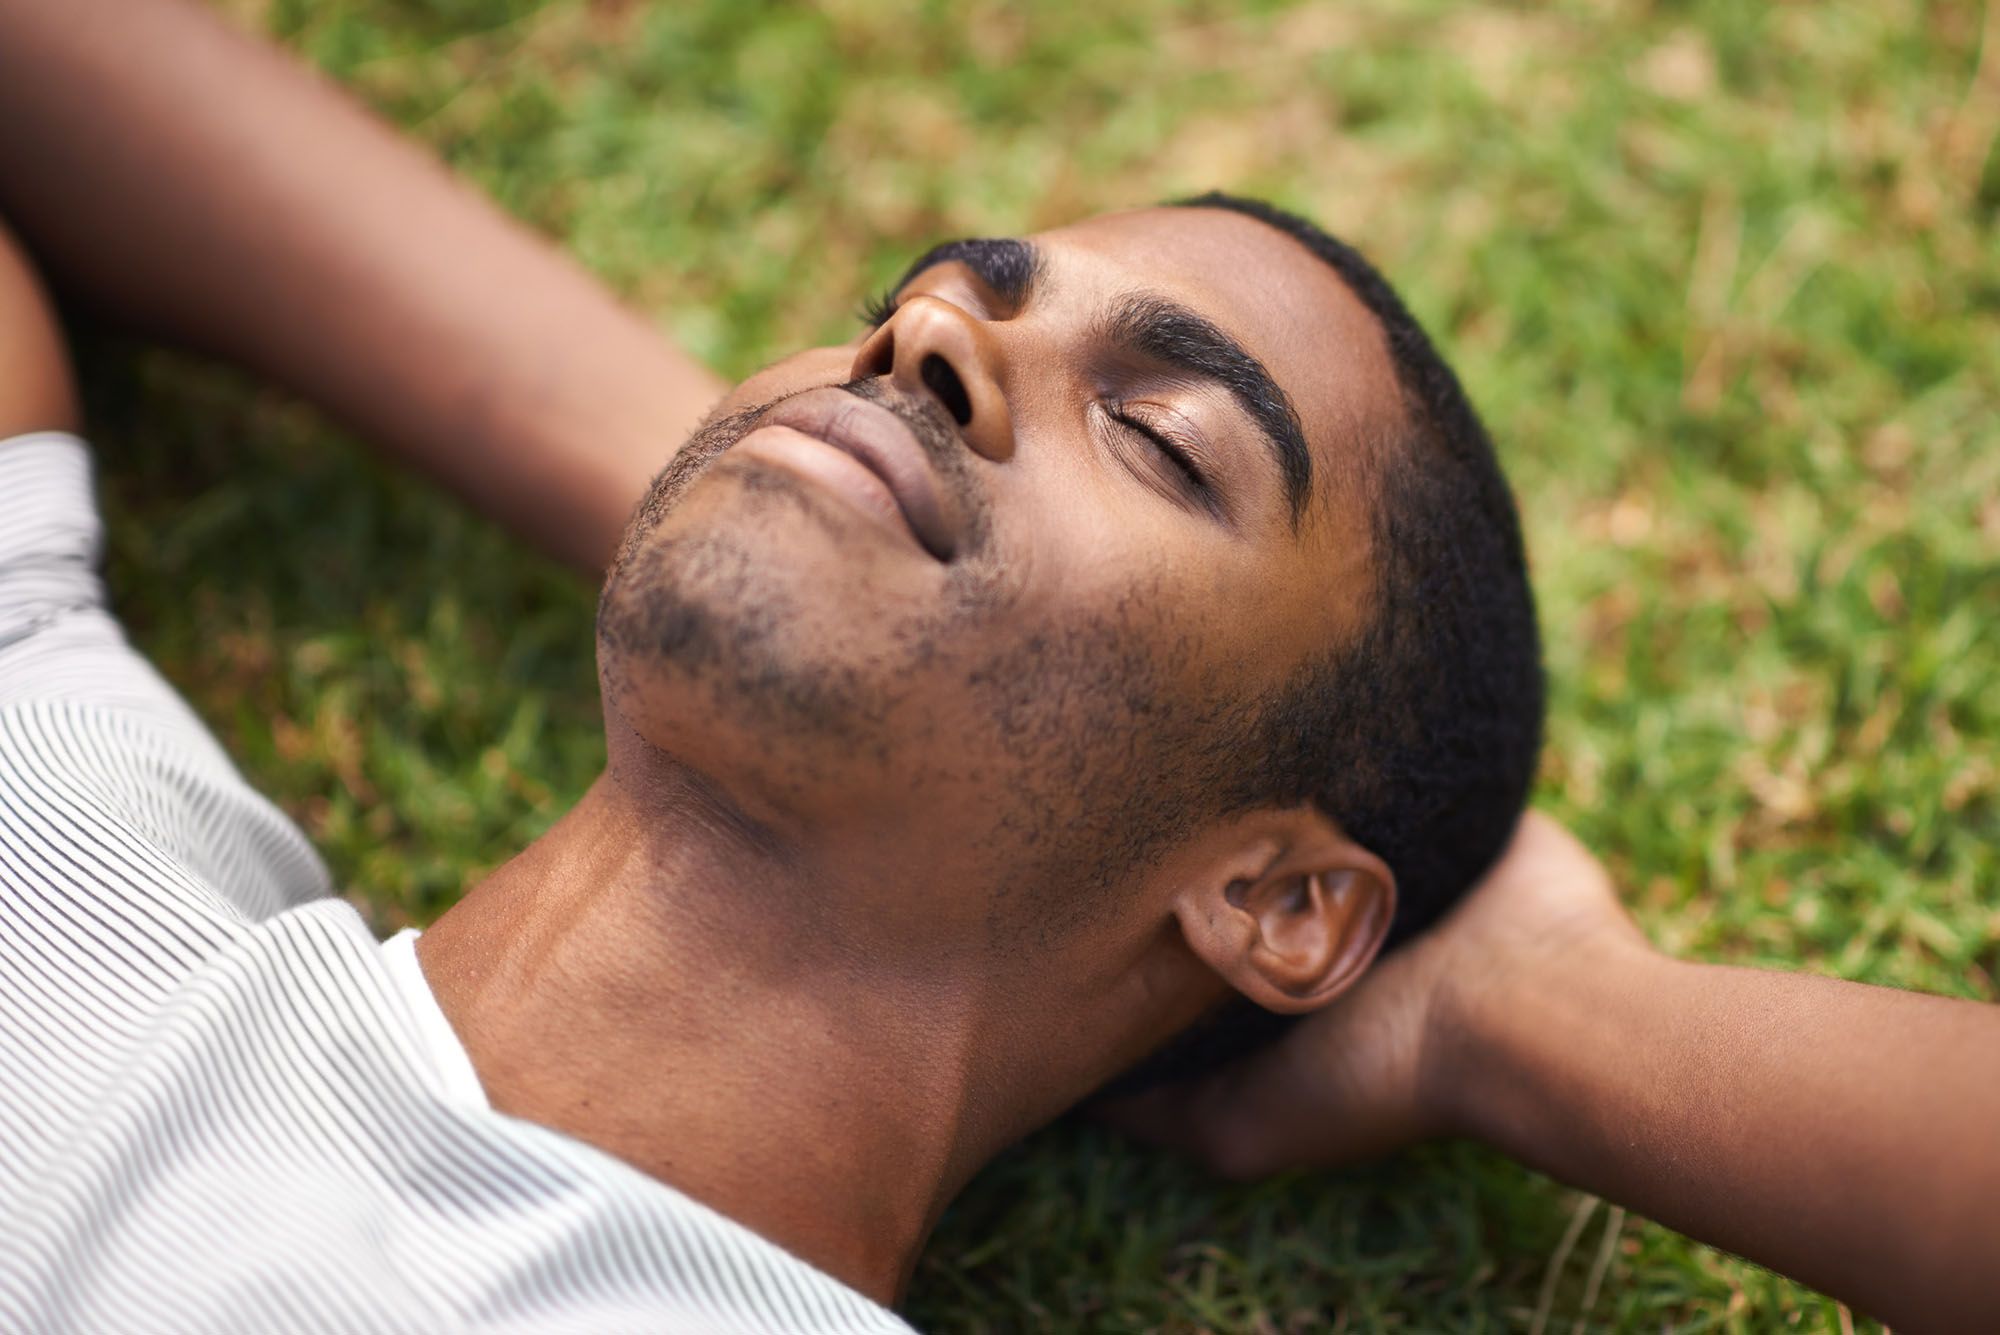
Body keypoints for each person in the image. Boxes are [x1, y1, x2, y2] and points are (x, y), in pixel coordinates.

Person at [0, 6, 1993, 1335]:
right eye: (921, 303)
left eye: (1165, 437)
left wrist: (1540, 1018)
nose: (924, 337)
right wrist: (819, 473)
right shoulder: (69, 835)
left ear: (1280, 893)